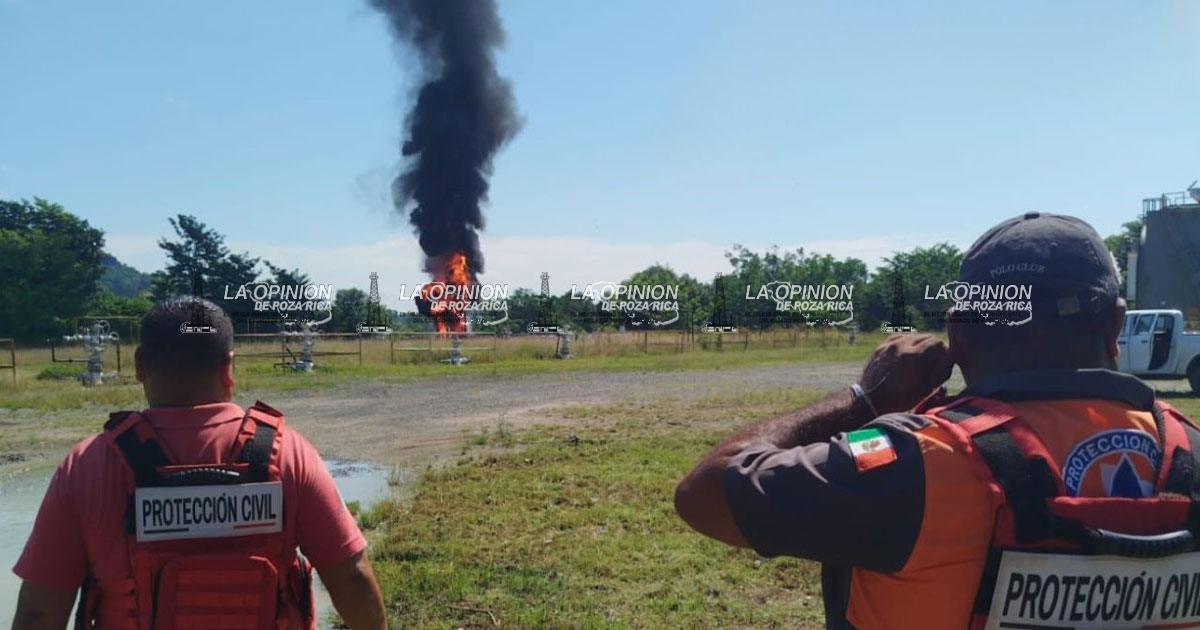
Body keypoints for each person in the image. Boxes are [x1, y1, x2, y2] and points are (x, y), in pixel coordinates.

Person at [675, 212, 1200, 629]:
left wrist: (864, 398)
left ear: (959, 335)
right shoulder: (1190, 450)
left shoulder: (920, 462)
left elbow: (706, 491)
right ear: (1115, 323)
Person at [11, 297, 387, 630]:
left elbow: (40, 613)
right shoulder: (290, 454)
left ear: (140, 364)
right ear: (229, 367)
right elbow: (350, 579)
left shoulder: (87, 466)